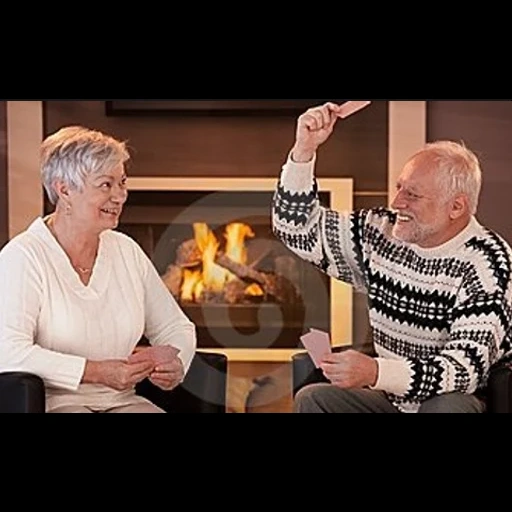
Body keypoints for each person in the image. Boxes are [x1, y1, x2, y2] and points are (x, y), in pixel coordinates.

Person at [272, 101, 512, 413]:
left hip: (459, 399)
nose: (396, 202)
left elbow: (465, 371)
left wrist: (375, 372)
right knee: (314, 398)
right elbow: (295, 229)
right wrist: (304, 150)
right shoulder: (382, 231)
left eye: (412, 195)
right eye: (399, 188)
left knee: (447, 408)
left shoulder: (487, 262)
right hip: (392, 398)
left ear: (456, 207)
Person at [0, 126, 197, 413]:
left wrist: (175, 363)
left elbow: (175, 326)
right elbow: (8, 351)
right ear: (64, 189)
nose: (119, 196)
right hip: (54, 404)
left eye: (122, 183)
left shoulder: (125, 250)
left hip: (124, 401)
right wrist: (95, 371)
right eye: (106, 185)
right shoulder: (23, 256)